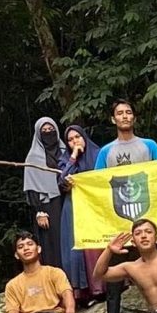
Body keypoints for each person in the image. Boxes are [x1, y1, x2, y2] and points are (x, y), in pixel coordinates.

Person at [95, 102, 157, 313]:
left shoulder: (149, 145)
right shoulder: (106, 151)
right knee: (114, 277)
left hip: (148, 220)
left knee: (155, 268)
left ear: (134, 117)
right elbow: (95, 183)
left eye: (128, 112)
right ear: (113, 119)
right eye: (119, 113)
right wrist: (75, 184)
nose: (124, 116)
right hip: (119, 223)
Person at [57, 121, 101, 302]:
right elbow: (62, 182)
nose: (75, 141)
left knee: (96, 246)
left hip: (95, 205)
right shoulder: (65, 159)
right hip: (73, 206)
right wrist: (73, 156)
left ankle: (101, 288)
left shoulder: (98, 154)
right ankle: (82, 293)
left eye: (77, 137)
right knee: (75, 248)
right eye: (70, 140)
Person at [23, 117, 63, 256]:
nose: (48, 133)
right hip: (47, 208)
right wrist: (39, 212)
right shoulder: (33, 158)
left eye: (51, 130)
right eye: (44, 131)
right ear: (38, 135)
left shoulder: (65, 152)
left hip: (67, 203)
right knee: (51, 245)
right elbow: (31, 188)